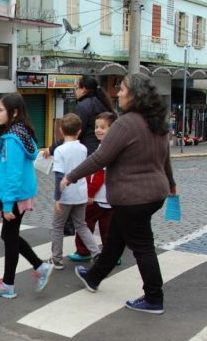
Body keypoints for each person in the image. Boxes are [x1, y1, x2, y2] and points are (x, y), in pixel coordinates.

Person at [61, 73, 176, 314]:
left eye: (122, 89)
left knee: (143, 246)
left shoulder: (126, 123)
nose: (118, 93)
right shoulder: (157, 123)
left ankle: (154, 298)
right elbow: (165, 160)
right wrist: (172, 185)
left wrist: (71, 176)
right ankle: (93, 277)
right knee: (115, 239)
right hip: (155, 193)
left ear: (134, 95)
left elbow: (101, 157)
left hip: (132, 197)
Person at [0, 93, 54, 299]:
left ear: (14, 112)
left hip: (14, 196)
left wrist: (7, 205)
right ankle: (39, 267)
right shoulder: (21, 132)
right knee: (9, 236)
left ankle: (9, 284)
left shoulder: (12, 139)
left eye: (0, 110)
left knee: (9, 237)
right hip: (20, 194)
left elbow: (13, 174)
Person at [49, 113, 100, 270]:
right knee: (81, 225)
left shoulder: (60, 150)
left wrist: (57, 198)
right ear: (79, 131)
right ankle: (95, 252)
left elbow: (59, 175)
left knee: (58, 226)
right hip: (81, 193)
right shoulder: (83, 148)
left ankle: (56, 258)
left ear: (61, 131)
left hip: (65, 194)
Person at [69, 111, 118, 262]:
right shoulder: (113, 147)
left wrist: (90, 193)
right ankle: (112, 256)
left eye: (103, 127)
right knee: (108, 229)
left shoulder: (104, 149)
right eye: (97, 127)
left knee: (85, 224)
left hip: (97, 198)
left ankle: (83, 251)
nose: (98, 130)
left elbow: (99, 175)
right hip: (111, 198)